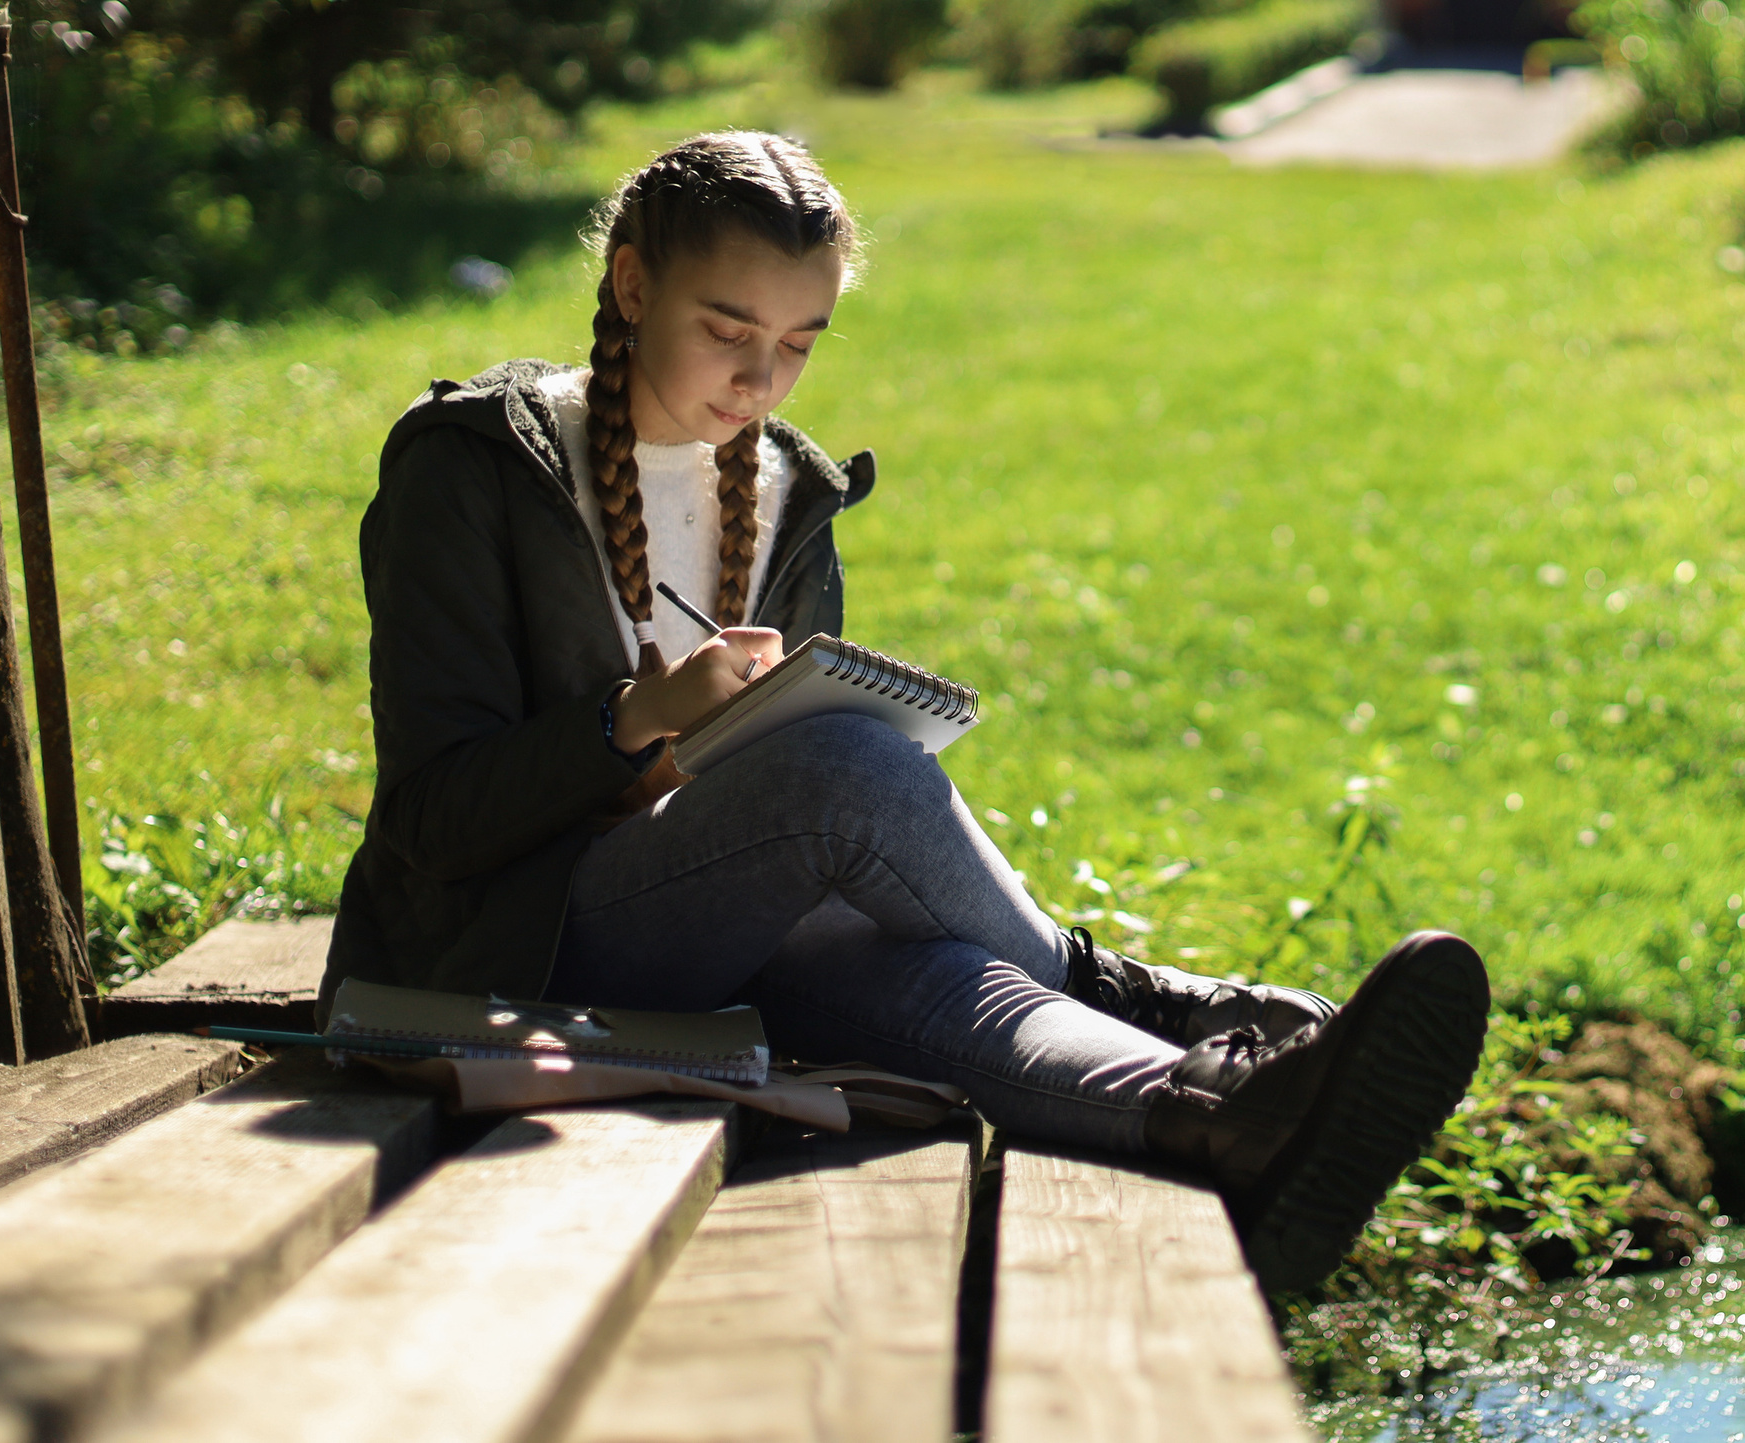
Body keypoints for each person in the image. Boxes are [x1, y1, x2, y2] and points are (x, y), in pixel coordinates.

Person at [321, 130, 1489, 1290]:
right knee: (844, 767)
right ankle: (1151, 998)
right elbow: (430, 824)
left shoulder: (787, 485)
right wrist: (631, 721)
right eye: (727, 332)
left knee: (931, 976)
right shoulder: (475, 470)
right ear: (633, 283)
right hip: (510, 954)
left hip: (731, 944)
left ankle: (1218, 1117)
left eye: (797, 344)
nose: (761, 380)